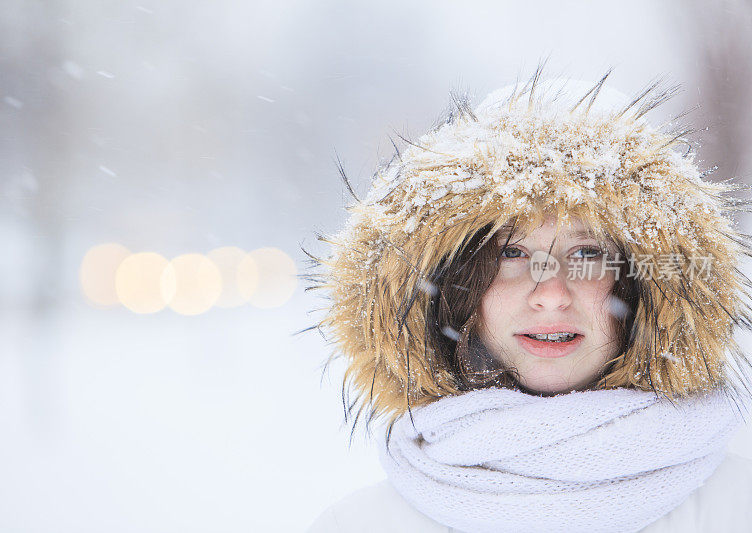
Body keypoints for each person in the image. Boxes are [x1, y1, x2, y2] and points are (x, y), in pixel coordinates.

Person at [304, 69, 752, 532]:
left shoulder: (737, 509)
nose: (552, 294)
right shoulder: (361, 524)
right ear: (453, 290)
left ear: (645, 288)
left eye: (586, 253)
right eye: (512, 253)